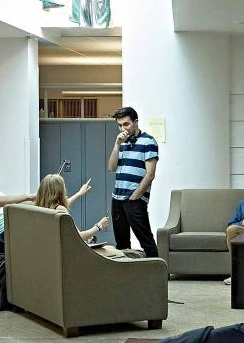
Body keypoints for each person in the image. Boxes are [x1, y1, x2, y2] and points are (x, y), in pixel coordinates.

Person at [0, 155, 90, 255]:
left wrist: (78, 194)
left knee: (51, 214)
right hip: (2, 239)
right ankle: (81, 238)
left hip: (11, 233)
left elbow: (51, 208)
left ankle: (79, 240)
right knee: (52, 229)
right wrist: (29, 197)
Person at [34, 174, 143, 258]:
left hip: (54, 252)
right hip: (72, 252)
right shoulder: (60, 210)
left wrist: (79, 193)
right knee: (121, 252)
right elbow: (79, 237)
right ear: (60, 191)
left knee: (112, 249)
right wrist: (99, 226)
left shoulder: (40, 208)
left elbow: (61, 206)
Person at [107, 106, 159, 258]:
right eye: (120, 125)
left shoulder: (148, 141)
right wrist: (117, 144)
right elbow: (111, 167)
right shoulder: (121, 142)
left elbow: (150, 175)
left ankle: (157, 276)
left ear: (135, 122)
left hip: (134, 199)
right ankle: (127, 278)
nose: (123, 128)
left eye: (126, 124)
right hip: (117, 198)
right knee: (122, 243)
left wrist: (135, 196)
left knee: (145, 239)